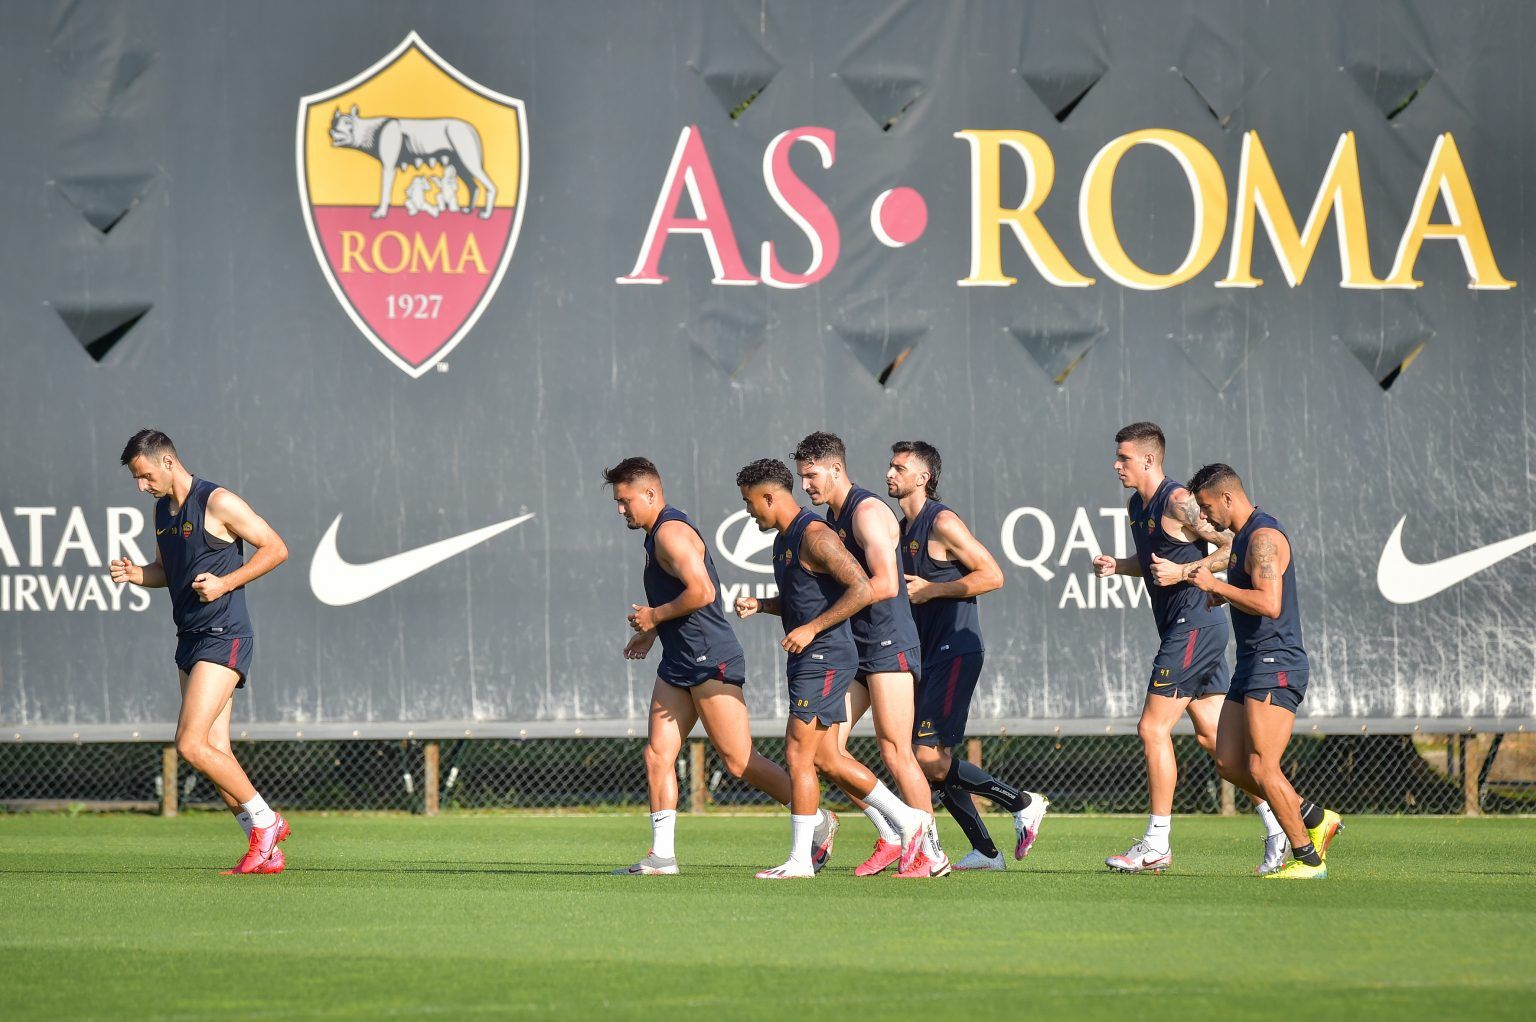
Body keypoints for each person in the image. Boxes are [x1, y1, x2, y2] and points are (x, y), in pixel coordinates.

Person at [604, 457, 834, 875]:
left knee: (739, 761)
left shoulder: (671, 534)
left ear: (651, 494)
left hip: (710, 657)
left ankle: (818, 819)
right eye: (618, 503)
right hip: (679, 660)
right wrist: (652, 631)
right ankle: (661, 857)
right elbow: (680, 598)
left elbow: (704, 592)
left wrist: (653, 618)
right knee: (658, 754)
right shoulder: (655, 533)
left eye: (626, 501)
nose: (622, 510)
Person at [1093, 422, 1287, 875]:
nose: (1115, 465)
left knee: (1151, 729)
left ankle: (1157, 843)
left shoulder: (1179, 501)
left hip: (1194, 626)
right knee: (1219, 747)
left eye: (1123, 457)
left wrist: (1187, 574)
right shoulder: (1135, 506)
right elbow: (1158, 558)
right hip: (1187, 629)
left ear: (1148, 459)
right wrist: (1118, 566)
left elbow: (1233, 544)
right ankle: (1284, 824)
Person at [734, 458, 932, 879]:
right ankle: (907, 821)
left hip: (825, 655)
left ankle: (801, 860)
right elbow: (803, 601)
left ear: (769, 496)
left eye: (750, 503)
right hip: (812, 654)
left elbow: (862, 586)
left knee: (797, 754)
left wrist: (812, 629)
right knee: (826, 757)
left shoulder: (816, 535)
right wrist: (763, 605)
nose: (749, 512)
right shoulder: (783, 541)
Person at [110, 429, 290, 875]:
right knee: (214, 749)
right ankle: (266, 848)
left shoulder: (218, 501)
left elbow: (277, 548)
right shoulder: (161, 511)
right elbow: (167, 573)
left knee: (190, 744)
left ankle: (267, 823)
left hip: (224, 633)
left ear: (168, 462)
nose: (141, 486)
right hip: (189, 637)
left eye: (145, 475)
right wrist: (138, 574)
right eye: (136, 478)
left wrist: (226, 582)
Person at [887, 440, 1049, 871]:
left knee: (923, 757)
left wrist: (934, 589)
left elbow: (993, 575)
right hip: (924, 654)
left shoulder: (941, 522)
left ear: (923, 478)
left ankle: (1022, 803)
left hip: (955, 650)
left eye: (900, 468)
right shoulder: (899, 530)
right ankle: (986, 851)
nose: (890, 473)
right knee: (925, 763)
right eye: (890, 466)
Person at [792, 432, 946, 878]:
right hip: (853, 648)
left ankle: (930, 853)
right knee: (824, 752)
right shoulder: (832, 518)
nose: (806, 485)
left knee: (897, 751)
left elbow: (886, 585)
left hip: (888, 643)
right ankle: (893, 833)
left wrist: (817, 624)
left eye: (812, 475)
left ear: (836, 469)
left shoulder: (868, 512)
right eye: (802, 477)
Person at [1185, 463, 1344, 880]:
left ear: (1227, 498)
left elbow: (1270, 603)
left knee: (1261, 767)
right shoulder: (1243, 540)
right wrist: (1227, 597)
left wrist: (1216, 587)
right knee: (1228, 761)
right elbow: (1253, 594)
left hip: (1276, 663)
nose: (1204, 517)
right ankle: (1311, 814)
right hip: (1252, 662)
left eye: (1205, 507)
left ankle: (1308, 859)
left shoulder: (1263, 539)